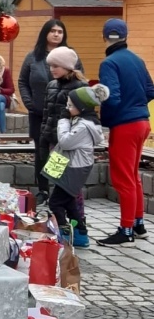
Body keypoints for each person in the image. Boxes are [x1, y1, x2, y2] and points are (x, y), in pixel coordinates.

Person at [97, 18, 154, 246]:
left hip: (125, 126)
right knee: (133, 177)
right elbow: (151, 89)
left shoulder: (109, 63)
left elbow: (112, 97)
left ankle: (126, 229)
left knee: (122, 179)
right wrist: (137, 106)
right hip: (142, 122)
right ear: (125, 36)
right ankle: (138, 224)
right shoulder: (137, 60)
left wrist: (106, 121)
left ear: (104, 37)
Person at [18, 19, 83, 203]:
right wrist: (29, 103)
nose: (56, 34)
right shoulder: (33, 57)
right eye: (53, 31)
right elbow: (23, 81)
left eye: (60, 31)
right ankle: (43, 189)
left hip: (62, 115)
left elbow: (80, 82)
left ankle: (59, 189)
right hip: (38, 113)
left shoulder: (71, 56)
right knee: (41, 151)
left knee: (60, 150)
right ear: (45, 33)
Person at [47, 84, 110, 245]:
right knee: (68, 201)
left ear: (81, 107)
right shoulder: (81, 120)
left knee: (55, 202)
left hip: (74, 168)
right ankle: (81, 234)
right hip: (70, 164)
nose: (67, 108)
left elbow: (66, 142)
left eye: (70, 105)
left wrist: (63, 120)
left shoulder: (84, 126)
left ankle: (64, 234)